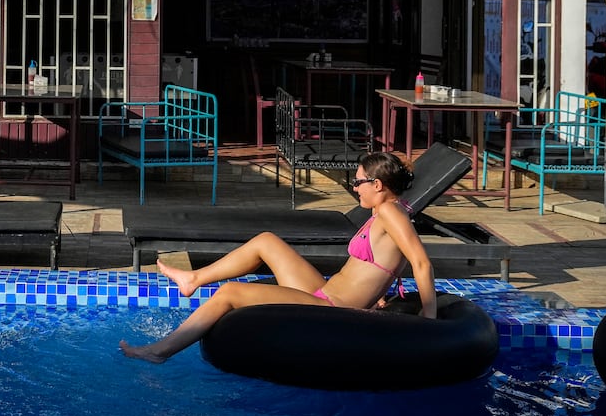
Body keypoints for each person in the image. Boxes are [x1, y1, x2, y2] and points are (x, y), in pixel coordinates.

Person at [120, 151, 435, 363]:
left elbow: (421, 260)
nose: (354, 188)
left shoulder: (391, 213)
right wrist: (383, 293)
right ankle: (194, 278)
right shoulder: (384, 212)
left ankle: (161, 351)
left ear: (377, 185)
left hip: (334, 307)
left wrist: (429, 320)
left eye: (357, 181)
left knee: (230, 293)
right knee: (267, 242)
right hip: (325, 292)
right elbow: (394, 259)